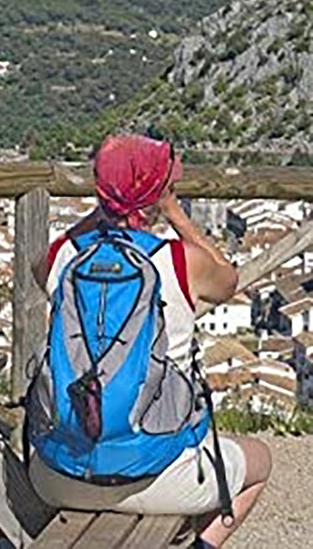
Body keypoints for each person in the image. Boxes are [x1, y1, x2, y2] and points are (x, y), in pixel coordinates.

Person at [29, 135, 271, 549]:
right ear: (159, 191)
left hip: (58, 476)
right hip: (161, 478)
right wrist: (174, 211)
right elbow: (228, 280)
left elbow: (41, 265)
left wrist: (103, 209)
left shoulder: (66, 259)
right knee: (260, 461)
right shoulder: (178, 260)